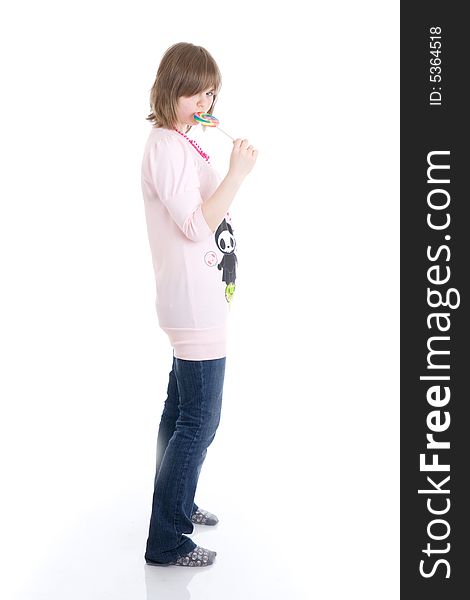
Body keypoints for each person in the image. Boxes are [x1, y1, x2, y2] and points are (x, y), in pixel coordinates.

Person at [140, 42, 258, 567]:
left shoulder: (183, 142)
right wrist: (236, 174)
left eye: (212, 91)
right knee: (200, 421)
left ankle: (177, 506)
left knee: (181, 411)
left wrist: (218, 160)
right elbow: (194, 225)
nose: (206, 100)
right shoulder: (166, 145)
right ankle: (167, 541)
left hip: (198, 298)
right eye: (196, 91)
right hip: (192, 304)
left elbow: (202, 209)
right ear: (172, 89)